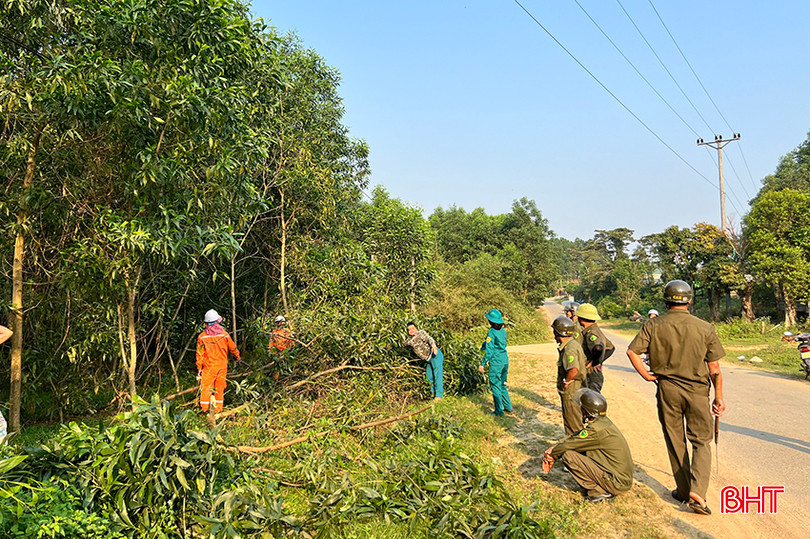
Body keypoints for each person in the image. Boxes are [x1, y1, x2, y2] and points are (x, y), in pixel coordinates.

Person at [627, 280, 725, 516]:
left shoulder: (652, 325)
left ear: (666, 300)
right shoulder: (704, 327)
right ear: (689, 300)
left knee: (675, 438)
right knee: (701, 440)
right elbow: (714, 369)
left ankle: (683, 490)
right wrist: (719, 396)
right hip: (697, 391)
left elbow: (632, 351)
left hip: (667, 388)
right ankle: (698, 492)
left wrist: (647, 376)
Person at [542, 389, 634, 503]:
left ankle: (598, 491)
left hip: (617, 482)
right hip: (621, 479)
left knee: (569, 456)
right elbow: (577, 437)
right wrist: (556, 446)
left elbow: (569, 445)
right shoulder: (602, 422)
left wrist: (552, 455)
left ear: (586, 411)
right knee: (575, 450)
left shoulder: (595, 431)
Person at [196, 309, 240, 413]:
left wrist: (199, 368)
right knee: (219, 388)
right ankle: (218, 411)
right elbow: (233, 348)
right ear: (217, 321)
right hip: (222, 366)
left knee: (206, 389)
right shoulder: (224, 335)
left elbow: (200, 354)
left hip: (209, 367)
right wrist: (237, 356)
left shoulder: (202, 337)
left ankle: (204, 412)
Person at [551, 316, 587, 435]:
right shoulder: (574, 344)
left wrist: (566, 382)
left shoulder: (569, 349)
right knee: (576, 420)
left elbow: (573, 369)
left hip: (572, 390)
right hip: (578, 387)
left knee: (573, 424)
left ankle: (574, 450)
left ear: (557, 332)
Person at [478, 309, 513, 416]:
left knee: (495, 385)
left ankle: (498, 411)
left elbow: (489, 351)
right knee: (502, 384)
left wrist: (482, 363)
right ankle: (508, 408)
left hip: (496, 362)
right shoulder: (503, 331)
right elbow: (495, 343)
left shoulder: (491, 332)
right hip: (504, 360)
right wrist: (484, 345)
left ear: (491, 321)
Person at [576, 303, 614, 393]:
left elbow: (598, 348)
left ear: (582, 318)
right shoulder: (595, 330)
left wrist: (595, 362)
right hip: (593, 376)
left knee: (591, 401)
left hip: (591, 376)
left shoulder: (591, 333)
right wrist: (599, 360)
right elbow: (610, 348)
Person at [403, 322, 444, 400]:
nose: (412, 330)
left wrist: (434, 347)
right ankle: (432, 394)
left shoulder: (421, 333)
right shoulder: (409, 341)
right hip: (428, 359)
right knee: (429, 377)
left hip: (434, 355)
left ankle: (439, 396)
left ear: (416, 328)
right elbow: (402, 345)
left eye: (413, 328)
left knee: (437, 374)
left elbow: (429, 339)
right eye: (409, 329)